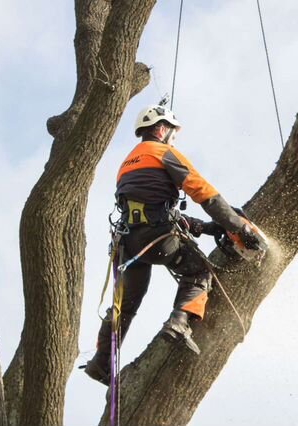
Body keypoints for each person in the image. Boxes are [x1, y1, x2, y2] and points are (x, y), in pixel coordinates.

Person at [84, 104, 259, 385]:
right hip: (157, 238)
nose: (174, 139)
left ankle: (100, 362)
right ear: (163, 130)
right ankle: (179, 323)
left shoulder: (127, 163)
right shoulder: (165, 153)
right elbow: (206, 195)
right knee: (199, 272)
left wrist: (204, 227)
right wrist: (237, 227)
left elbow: (154, 206)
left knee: (124, 305)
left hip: (128, 243)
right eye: (173, 134)